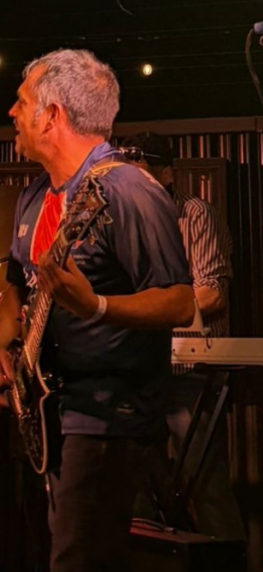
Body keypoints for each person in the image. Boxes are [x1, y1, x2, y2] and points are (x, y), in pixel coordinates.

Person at [0, 50, 194, 572]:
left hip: (110, 413)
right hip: (56, 411)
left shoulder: (128, 190)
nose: (11, 112)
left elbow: (179, 301)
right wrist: (0, 341)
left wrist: (97, 305)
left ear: (51, 116)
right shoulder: (35, 196)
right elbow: (17, 286)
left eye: (22, 101)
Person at [121, 131, 243, 540]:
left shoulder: (195, 215)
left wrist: (141, 314)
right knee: (136, 486)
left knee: (204, 484)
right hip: (140, 370)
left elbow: (211, 295)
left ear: (167, 174)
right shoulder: (124, 223)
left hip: (189, 369)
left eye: (141, 175)